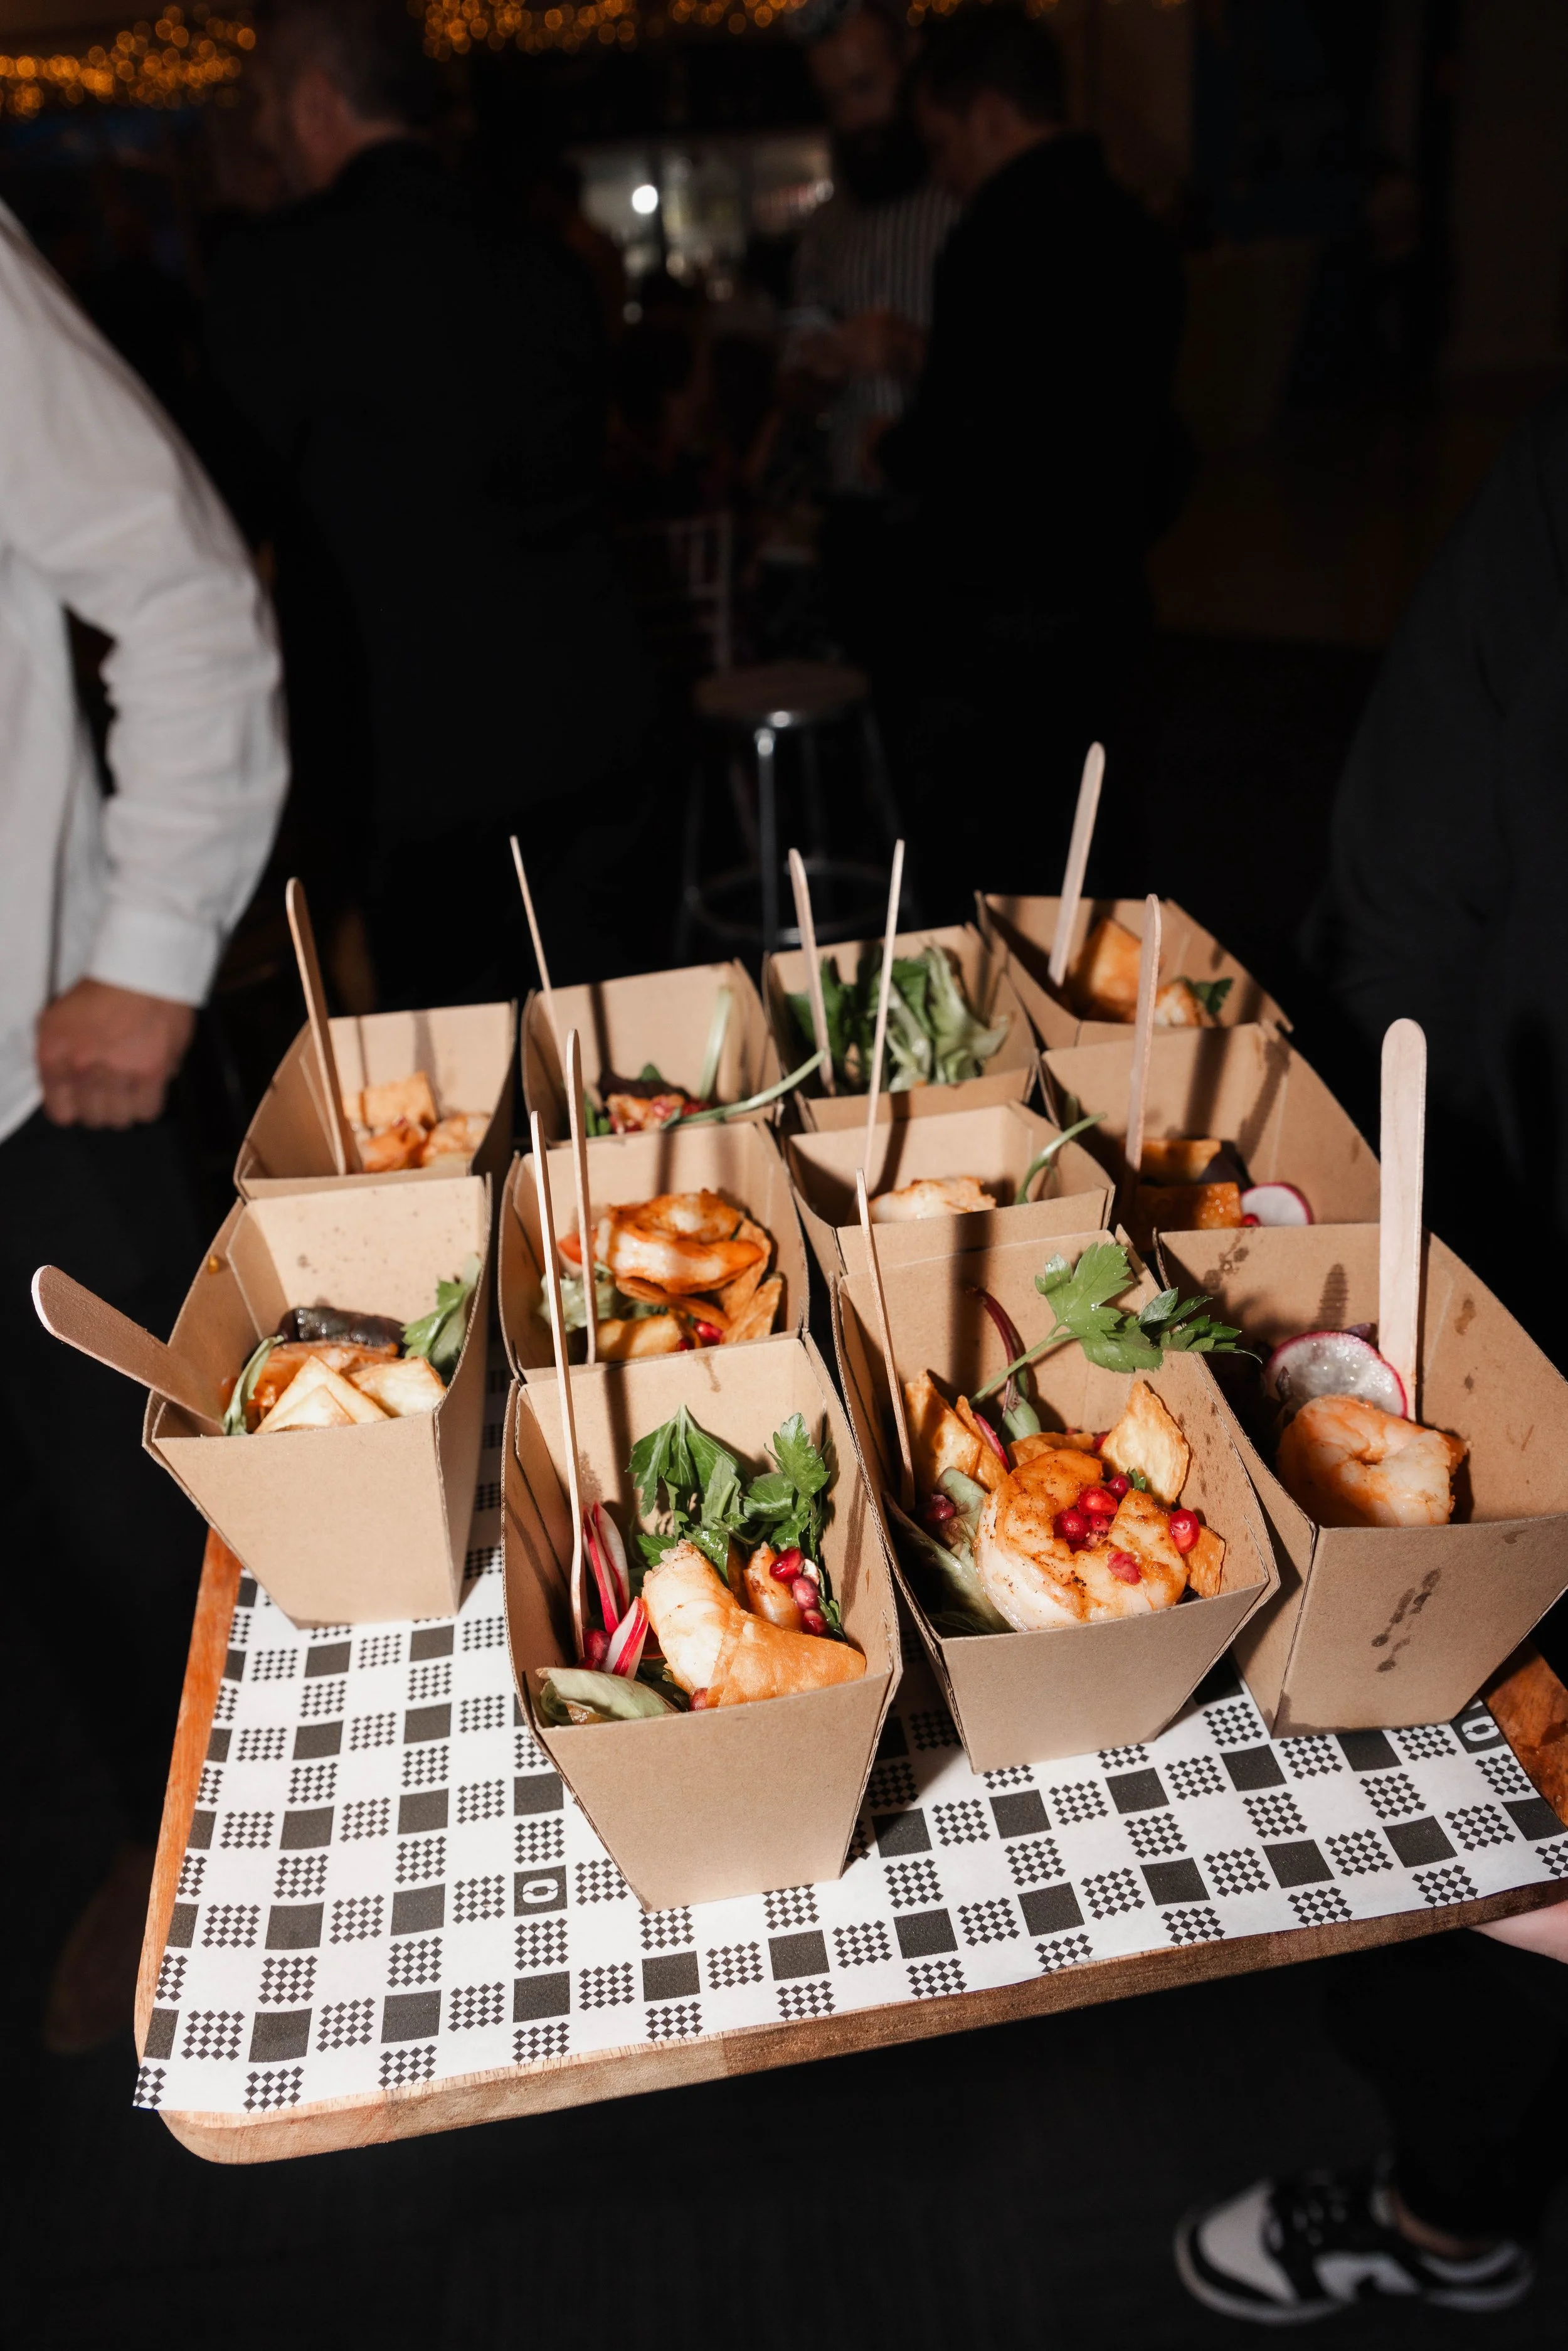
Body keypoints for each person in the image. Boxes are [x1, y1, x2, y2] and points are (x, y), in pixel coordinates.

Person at [1177, 390, 1568, 2324]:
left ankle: (1439, 2207)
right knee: (1464, 1876)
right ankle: (1445, 2201)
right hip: (1506, 1269)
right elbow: (1401, 913)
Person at [0, 202, 287, 2051]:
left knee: (163, 1511)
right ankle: (153, 1825)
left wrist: (152, 944)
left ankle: (281, 1848)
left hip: (33, 1074)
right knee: (38, 1537)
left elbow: (183, 585)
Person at [206, 0, 653, 1009]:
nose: (265, 131)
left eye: (268, 103)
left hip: (409, 756)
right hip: (593, 716)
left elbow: (222, 521)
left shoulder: (275, 274)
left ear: (318, 102)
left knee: (462, 1071)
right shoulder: (541, 254)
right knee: (611, 1051)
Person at [874, 6, 1187, 916]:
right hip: (1110, 606)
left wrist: (886, 446)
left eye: (942, 143)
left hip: (998, 631)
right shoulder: (1137, 233)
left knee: (994, 874)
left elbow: (960, 444)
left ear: (989, 116)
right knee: (1098, 857)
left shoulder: (992, 241)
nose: (941, 170)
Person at [787, 0, 958, 640]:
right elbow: (792, 382)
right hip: (857, 518)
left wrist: (911, 350)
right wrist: (817, 371)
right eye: (835, 100)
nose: (854, 118)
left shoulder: (964, 199)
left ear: (909, 62)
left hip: (956, 512)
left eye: (865, 88)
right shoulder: (825, 228)